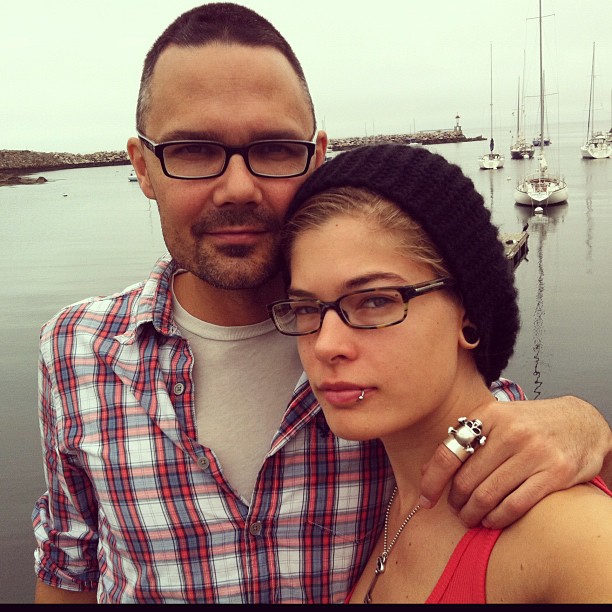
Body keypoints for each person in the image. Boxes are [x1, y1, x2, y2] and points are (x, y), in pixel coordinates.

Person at [32, 2, 612, 605]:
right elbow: (69, 567)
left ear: (315, 157)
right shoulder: (76, 351)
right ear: (143, 167)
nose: (237, 188)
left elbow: (497, 423)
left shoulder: (396, 371)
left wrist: (586, 428)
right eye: (194, 150)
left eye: (274, 148)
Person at [270, 143, 612, 604]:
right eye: (307, 308)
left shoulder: (572, 540)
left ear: (468, 315)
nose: (326, 345)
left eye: (376, 300)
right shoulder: (395, 499)